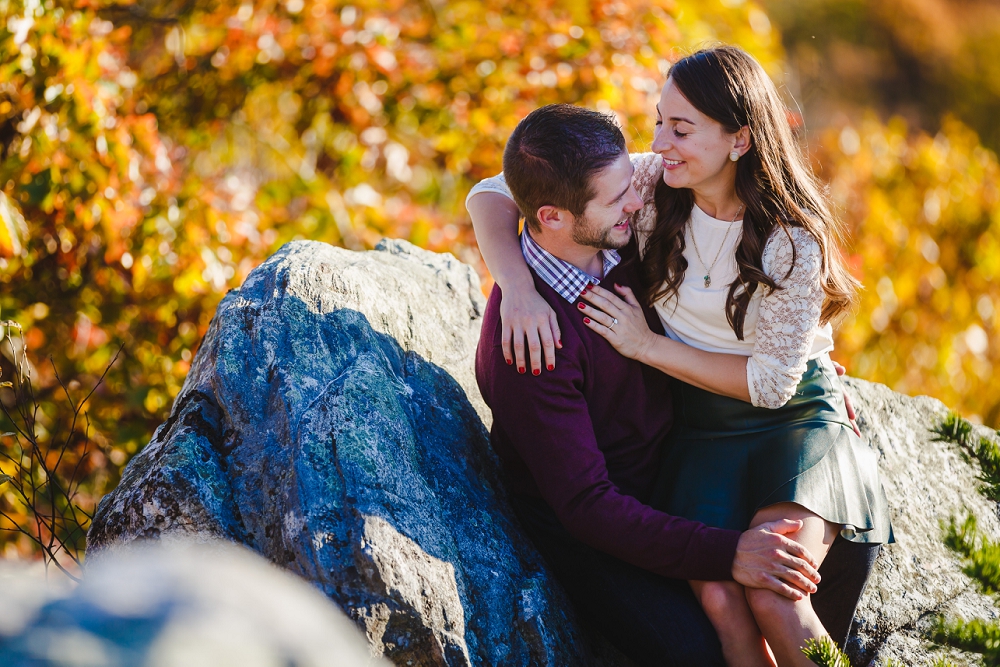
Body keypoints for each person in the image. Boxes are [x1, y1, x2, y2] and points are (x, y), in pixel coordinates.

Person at [470, 101, 885, 667]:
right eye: (617, 199)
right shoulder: (531, 346)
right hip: (604, 529)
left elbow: (711, 316)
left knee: (837, 560)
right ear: (552, 217)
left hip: (686, 466)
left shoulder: (612, 243)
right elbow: (589, 506)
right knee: (707, 643)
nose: (639, 202)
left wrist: (802, 367)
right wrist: (730, 552)